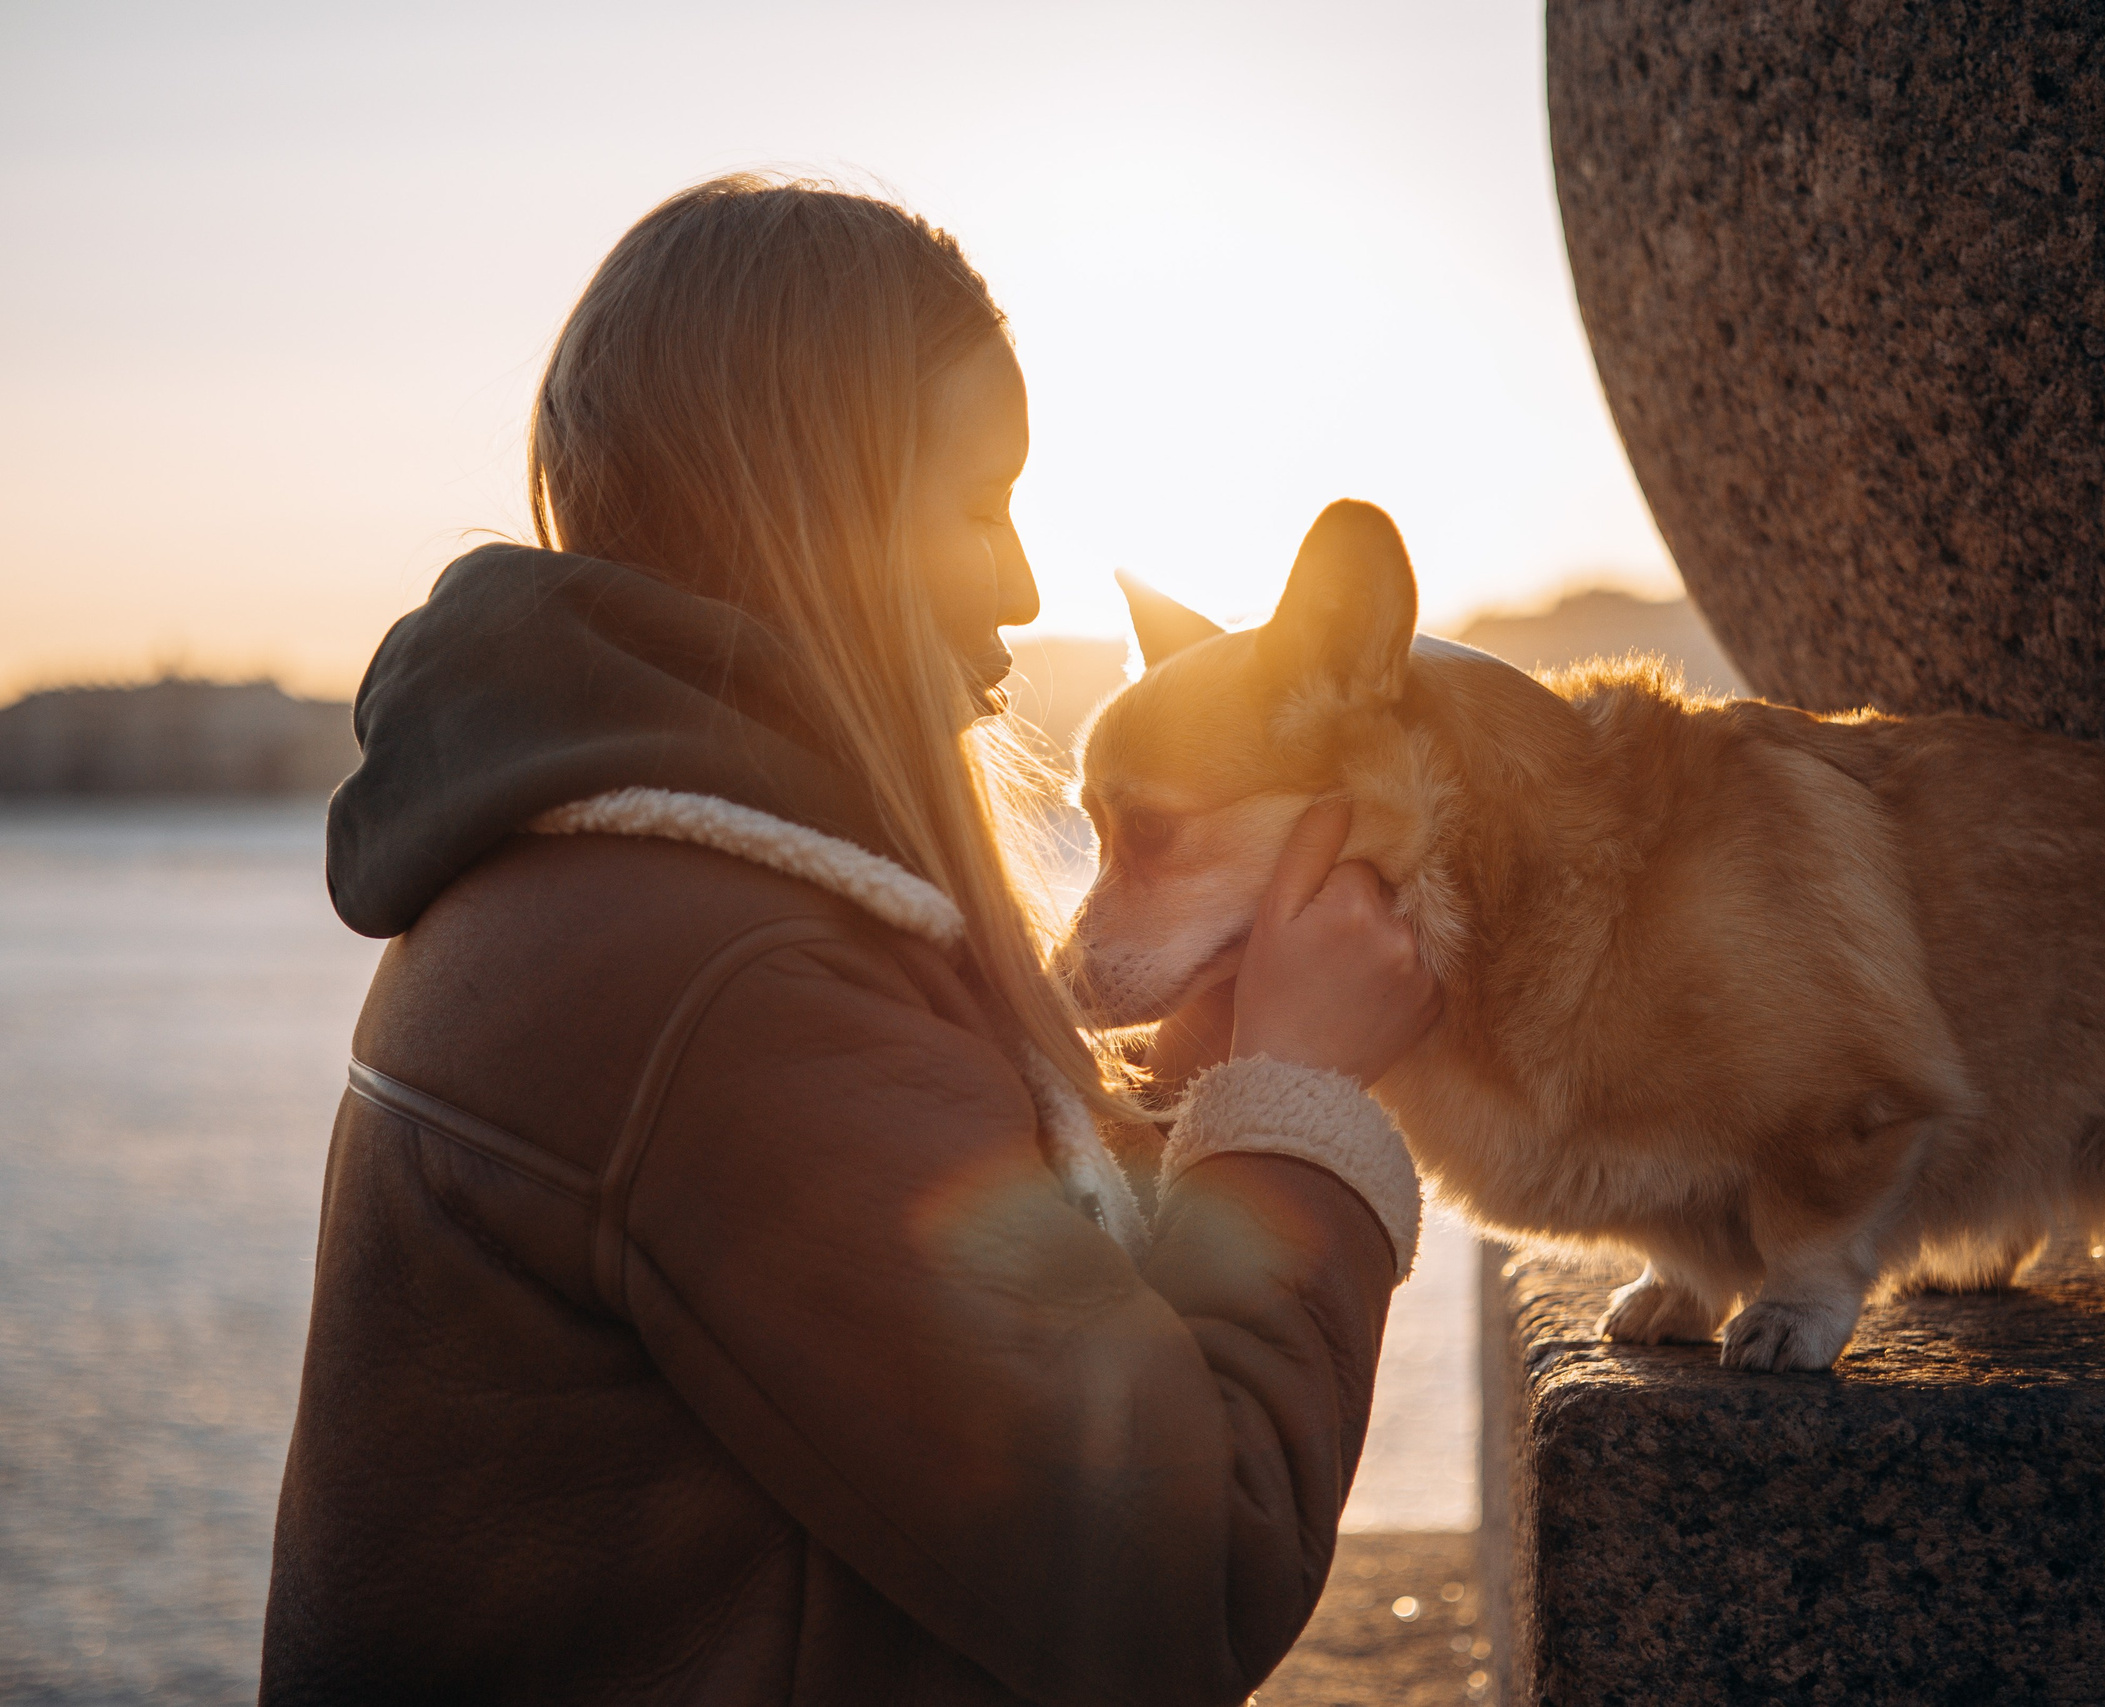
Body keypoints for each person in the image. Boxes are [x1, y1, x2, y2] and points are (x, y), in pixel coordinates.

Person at [259, 174, 1442, 1706]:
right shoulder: (725, 985)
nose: (1020, 579)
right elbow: (1183, 1575)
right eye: (976, 504)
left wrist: (1194, 1078)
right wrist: (1300, 1106)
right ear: (817, 512)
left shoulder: (630, 887)